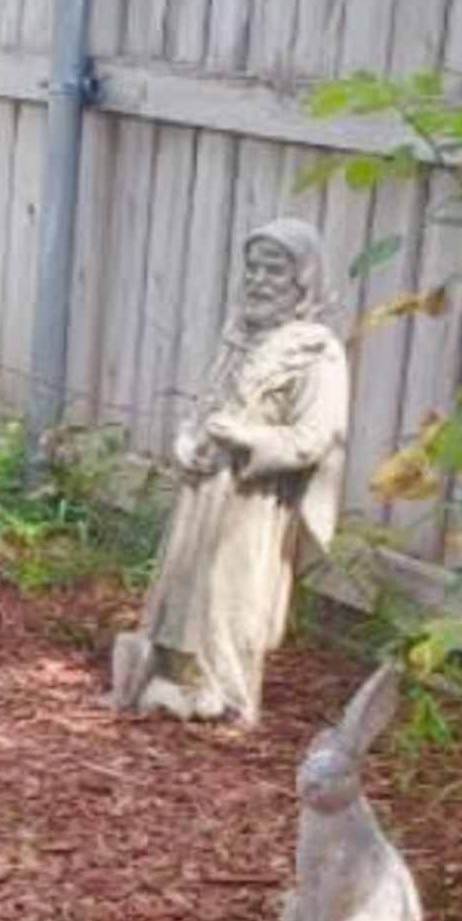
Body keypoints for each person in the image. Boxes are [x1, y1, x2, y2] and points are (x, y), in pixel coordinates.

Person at [108, 216, 350, 728]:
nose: (260, 281)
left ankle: (226, 692)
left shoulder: (317, 352)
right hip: (204, 488)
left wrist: (249, 438)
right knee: (182, 584)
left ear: (302, 279)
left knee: (230, 592)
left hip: (254, 499)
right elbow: (203, 408)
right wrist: (184, 442)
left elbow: (315, 437)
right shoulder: (238, 335)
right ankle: (173, 676)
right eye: (253, 269)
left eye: (275, 271)